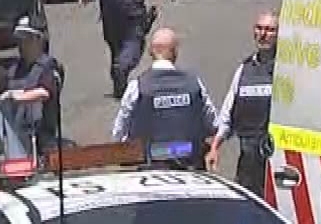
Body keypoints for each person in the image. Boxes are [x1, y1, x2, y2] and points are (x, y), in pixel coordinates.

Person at [111, 28, 215, 170]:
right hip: (191, 166)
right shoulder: (194, 83)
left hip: (151, 168)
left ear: (150, 52)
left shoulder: (138, 86)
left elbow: (120, 132)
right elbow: (213, 123)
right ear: (175, 52)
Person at [207, 11, 278, 192]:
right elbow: (227, 114)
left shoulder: (284, 70)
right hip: (248, 162)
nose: (263, 34)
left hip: (277, 161)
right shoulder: (244, 69)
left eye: (270, 30)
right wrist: (215, 148)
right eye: (259, 28)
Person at [0, 16, 65, 148]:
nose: (22, 44)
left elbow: (44, 93)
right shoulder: (14, 69)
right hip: (16, 135)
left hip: (40, 138)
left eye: (27, 39)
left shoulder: (48, 67)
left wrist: (16, 96)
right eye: (20, 39)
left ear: (39, 40)